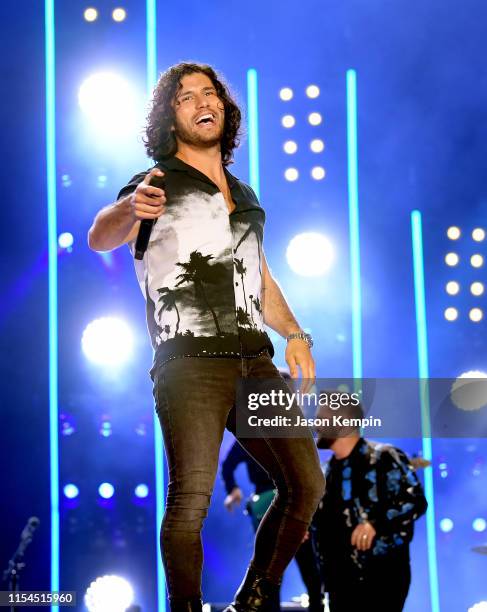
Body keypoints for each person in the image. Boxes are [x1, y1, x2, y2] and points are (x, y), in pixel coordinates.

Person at [88, 62, 325, 612]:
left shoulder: (244, 195)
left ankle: (256, 597)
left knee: (306, 486)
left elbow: (259, 275)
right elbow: (101, 234)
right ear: (170, 119)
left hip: (255, 359)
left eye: (210, 92)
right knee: (191, 500)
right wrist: (129, 208)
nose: (204, 100)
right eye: (186, 95)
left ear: (223, 107)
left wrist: (294, 331)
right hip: (190, 362)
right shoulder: (156, 182)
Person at [311, 393, 428, 612]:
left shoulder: (384, 457)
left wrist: (375, 523)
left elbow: (415, 501)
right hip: (338, 583)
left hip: (381, 578)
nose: (315, 425)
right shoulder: (324, 473)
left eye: (321, 418)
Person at [222, 372, 324, 612]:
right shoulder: (252, 428)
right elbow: (228, 465)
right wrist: (232, 489)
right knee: (269, 571)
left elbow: (311, 477)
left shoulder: (298, 429)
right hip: (267, 502)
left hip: (297, 502)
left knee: (311, 572)